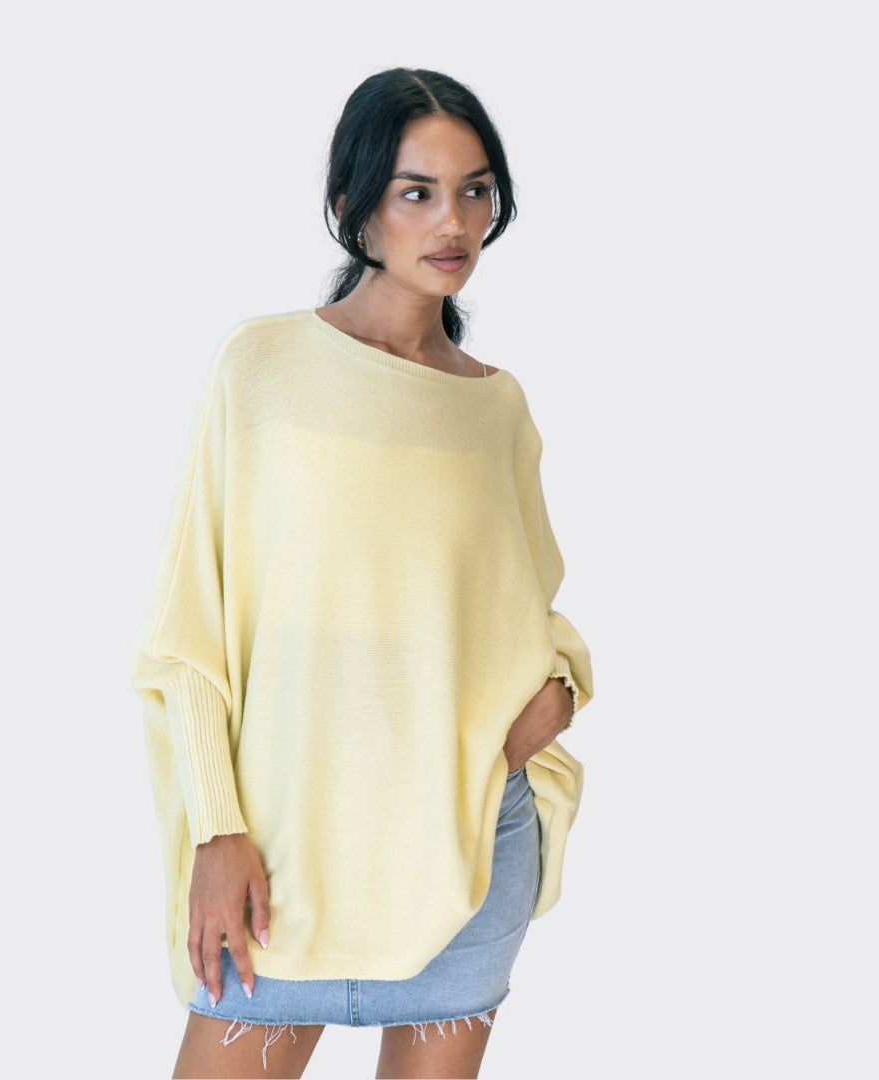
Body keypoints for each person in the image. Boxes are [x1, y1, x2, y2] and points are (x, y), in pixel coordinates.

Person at [132, 67, 593, 1079]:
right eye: (416, 191)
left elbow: (523, 608)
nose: (453, 222)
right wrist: (216, 830)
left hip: (462, 853)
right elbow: (190, 629)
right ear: (354, 204)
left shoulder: (497, 408)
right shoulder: (262, 367)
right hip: (275, 868)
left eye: (474, 190)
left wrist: (556, 694)